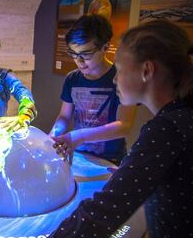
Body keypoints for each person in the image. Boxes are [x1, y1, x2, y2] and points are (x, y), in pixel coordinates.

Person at [24, 19, 193, 238]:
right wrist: (133, 170)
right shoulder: (184, 119)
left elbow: (106, 210)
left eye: (120, 70)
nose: (114, 79)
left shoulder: (167, 129)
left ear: (146, 71)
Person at [49, 14, 136, 164]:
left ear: (105, 47)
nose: (79, 61)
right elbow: (64, 116)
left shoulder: (121, 78)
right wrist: (53, 134)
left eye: (86, 54)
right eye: (74, 54)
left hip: (110, 159)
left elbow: (124, 125)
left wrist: (79, 136)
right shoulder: (72, 78)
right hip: (79, 154)